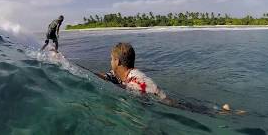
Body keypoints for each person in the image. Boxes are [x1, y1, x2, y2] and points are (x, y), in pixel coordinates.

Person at [97, 42, 246, 115]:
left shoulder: (137, 80)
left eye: (111, 59)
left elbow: (151, 100)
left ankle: (223, 112)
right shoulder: (120, 75)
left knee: (188, 107)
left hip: (167, 103)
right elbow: (107, 76)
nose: (110, 62)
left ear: (117, 62)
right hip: (157, 98)